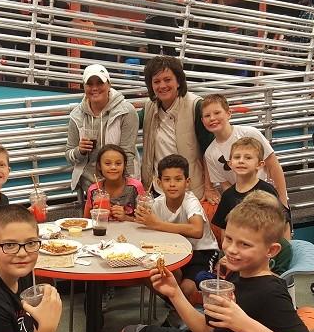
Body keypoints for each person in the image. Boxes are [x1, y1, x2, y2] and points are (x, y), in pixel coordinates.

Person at [102, 191, 314, 332]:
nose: (231, 249)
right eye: (229, 239)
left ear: (271, 250)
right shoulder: (240, 275)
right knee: (134, 331)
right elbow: (207, 331)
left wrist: (243, 323)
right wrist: (175, 293)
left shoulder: (271, 293)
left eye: (244, 245)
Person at [135, 154, 219, 301]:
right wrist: (127, 217)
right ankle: (175, 306)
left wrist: (157, 224)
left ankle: (179, 308)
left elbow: (197, 230)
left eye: (178, 179)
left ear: (187, 182)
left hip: (202, 252)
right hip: (173, 251)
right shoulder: (157, 203)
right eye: (167, 180)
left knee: (186, 288)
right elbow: (145, 222)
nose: (172, 184)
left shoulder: (190, 201)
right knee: (148, 275)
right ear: (159, 183)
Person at [139, 55, 217, 203]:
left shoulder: (196, 105)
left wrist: (209, 187)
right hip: (157, 190)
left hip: (191, 191)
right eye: (156, 81)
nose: (162, 86)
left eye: (167, 80)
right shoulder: (149, 106)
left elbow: (210, 151)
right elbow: (129, 123)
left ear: (179, 81)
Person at [210, 138, 292, 274]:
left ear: (260, 164)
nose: (241, 161)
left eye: (248, 157)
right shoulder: (228, 196)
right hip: (239, 255)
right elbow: (225, 229)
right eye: (237, 157)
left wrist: (285, 245)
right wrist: (228, 253)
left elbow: (282, 221)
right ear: (230, 163)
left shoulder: (268, 191)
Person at [200, 94, 288, 207]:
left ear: (228, 113)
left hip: (268, 198)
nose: (212, 118)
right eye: (207, 115)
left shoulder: (250, 133)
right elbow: (226, 185)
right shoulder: (210, 154)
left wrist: (283, 202)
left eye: (217, 113)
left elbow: (273, 166)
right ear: (202, 121)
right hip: (243, 206)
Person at [65, 64, 139, 192]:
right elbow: (69, 155)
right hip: (90, 185)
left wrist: (127, 189)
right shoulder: (77, 115)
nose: (94, 88)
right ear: (84, 87)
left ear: (109, 85)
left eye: (100, 83)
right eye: (89, 84)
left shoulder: (126, 111)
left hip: (119, 183)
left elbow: (128, 154)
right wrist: (80, 151)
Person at [83, 144, 145, 221]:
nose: (113, 167)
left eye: (118, 163)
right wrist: (95, 215)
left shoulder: (135, 187)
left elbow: (145, 221)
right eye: (107, 163)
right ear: (99, 166)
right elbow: (86, 221)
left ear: (124, 165)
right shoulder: (94, 190)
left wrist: (126, 218)